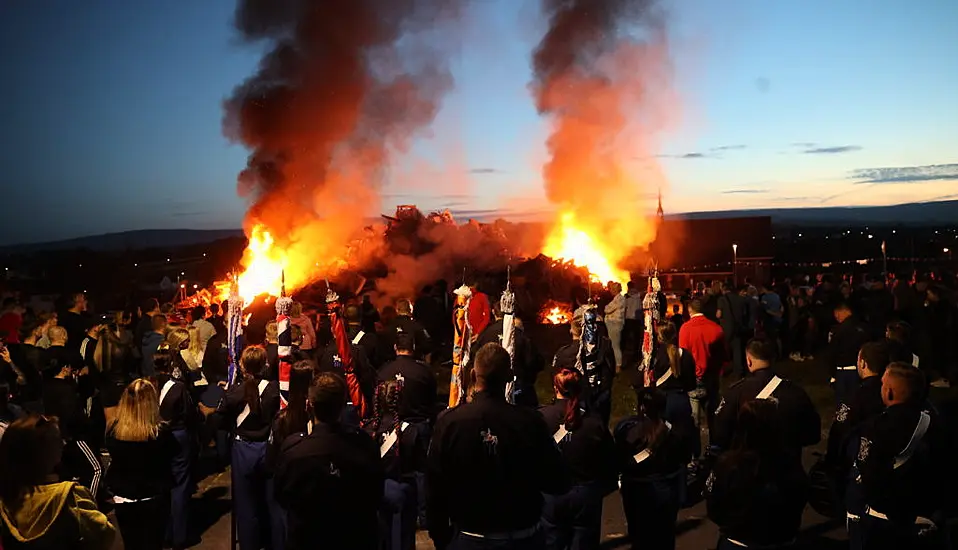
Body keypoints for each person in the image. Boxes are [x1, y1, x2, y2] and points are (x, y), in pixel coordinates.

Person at [426, 343, 570, 549]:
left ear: (474, 375)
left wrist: (440, 535)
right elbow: (557, 480)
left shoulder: (451, 423)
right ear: (510, 377)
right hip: (519, 536)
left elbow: (434, 486)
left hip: (472, 536)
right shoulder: (530, 422)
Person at [275, 372, 384, 550]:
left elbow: (281, 496)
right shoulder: (364, 446)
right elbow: (376, 494)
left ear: (309, 405)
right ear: (343, 405)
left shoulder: (294, 451)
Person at [854, 363, 946, 549]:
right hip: (927, 517)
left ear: (889, 392)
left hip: (887, 522)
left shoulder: (876, 427)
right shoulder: (937, 422)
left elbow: (867, 472)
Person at [0, 415, 116, 549]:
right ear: (46, 453)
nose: (64, 444)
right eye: (58, 440)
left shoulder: (7, 498)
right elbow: (105, 534)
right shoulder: (70, 496)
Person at [706, 399, 809, 549]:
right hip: (780, 541)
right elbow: (800, 499)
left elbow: (714, 506)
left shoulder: (728, 464)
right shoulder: (790, 463)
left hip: (738, 542)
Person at [538, 368, 617, 550]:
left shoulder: (541, 418)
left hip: (552, 494)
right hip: (585, 495)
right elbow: (609, 460)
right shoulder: (595, 422)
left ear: (555, 388)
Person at [213, 346, 281, 550]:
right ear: (265, 365)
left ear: (243, 366)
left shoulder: (235, 391)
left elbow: (220, 419)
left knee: (246, 504)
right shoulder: (275, 389)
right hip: (268, 448)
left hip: (244, 449)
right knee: (272, 501)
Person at [711, 339, 820, 461]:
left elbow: (720, 435)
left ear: (748, 361)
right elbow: (813, 435)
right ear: (774, 359)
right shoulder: (796, 392)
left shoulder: (736, 392)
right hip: (787, 469)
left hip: (749, 471)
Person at [614, 388, 691, 550]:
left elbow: (618, 458)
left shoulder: (626, 429)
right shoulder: (675, 432)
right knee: (665, 535)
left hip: (636, 489)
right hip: (666, 487)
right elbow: (685, 458)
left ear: (642, 406)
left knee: (638, 535)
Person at [105, 379, 177, 550]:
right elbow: (173, 454)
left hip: (123, 496)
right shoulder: (160, 433)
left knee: (131, 544)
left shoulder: (114, 430)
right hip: (153, 496)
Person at [368, 378, 427, 550]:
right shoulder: (411, 432)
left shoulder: (367, 431)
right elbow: (421, 471)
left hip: (374, 495)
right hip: (404, 495)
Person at [152, 346, 199, 550]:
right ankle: (179, 536)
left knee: (161, 484)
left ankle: (163, 533)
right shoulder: (178, 387)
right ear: (171, 365)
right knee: (179, 485)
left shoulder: (148, 385)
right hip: (177, 435)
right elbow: (189, 414)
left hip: (154, 435)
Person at [266, 361, 315, 550]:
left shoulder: (283, 418)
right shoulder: (285, 419)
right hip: (300, 486)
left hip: (291, 484)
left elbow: (270, 459)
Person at [468, 300, 543, 408]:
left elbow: (473, 357)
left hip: (491, 390)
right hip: (518, 392)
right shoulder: (519, 335)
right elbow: (534, 362)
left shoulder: (485, 334)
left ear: (494, 312)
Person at [552, 307, 616, 425]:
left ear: (571, 331)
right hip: (596, 398)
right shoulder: (604, 347)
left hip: (579, 399)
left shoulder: (564, 353)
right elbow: (611, 369)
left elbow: (557, 378)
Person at [650, 322, 699, 457]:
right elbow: (691, 384)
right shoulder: (686, 355)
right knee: (683, 441)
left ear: (659, 338)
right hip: (682, 401)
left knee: (665, 441)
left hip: (663, 402)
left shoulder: (656, 356)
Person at [679, 299, 726, 433]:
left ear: (690, 310)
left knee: (694, 417)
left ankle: (695, 449)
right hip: (712, 375)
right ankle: (714, 445)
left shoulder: (685, 328)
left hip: (693, 377)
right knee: (713, 413)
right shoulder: (716, 327)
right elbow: (722, 353)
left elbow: (683, 354)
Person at [825, 302, 870, 405]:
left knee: (843, 403)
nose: (837, 318)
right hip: (860, 369)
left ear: (844, 312)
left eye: (837, 315)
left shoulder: (838, 331)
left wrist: (832, 374)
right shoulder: (863, 327)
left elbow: (833, 353)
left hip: (843, 372)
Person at [716, 281, 748, 378]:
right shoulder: (741, 299)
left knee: (723, 351)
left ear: (724, 289)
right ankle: (738, 371)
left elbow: (719, 314)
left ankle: (722, 371)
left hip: (725, 329)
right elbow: (744, 314)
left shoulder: (722, 299)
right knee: (737, 350)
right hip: (737, 328)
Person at [604, 282, 626, 371]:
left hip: (614, 324)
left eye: (612, 289)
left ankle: (618, 366)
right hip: (614, 323)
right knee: (615, 345)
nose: (610, 291)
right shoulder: (618, 298)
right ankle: (616, 364)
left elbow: (607, 309)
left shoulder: (619, 299)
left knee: (615, 345)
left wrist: (606, 307)